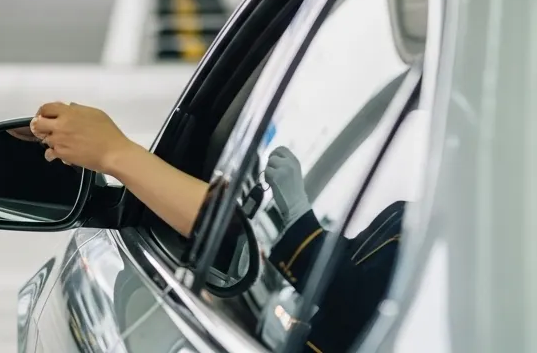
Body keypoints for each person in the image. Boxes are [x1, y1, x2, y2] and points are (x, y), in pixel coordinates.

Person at [30, 102, 404, 353]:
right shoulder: (425, 218)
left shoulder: (430, 228)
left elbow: (360, 298)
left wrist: (116, 154)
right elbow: (360, 270)